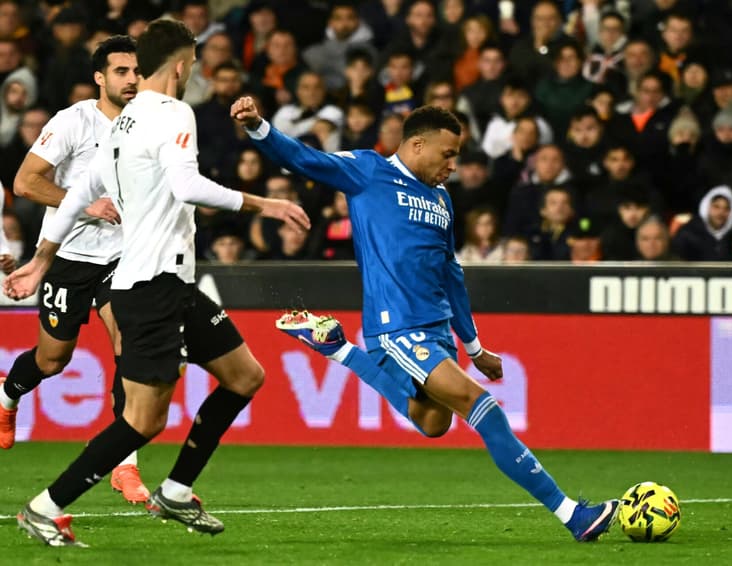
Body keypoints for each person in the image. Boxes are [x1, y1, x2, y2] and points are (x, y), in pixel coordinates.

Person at [230, 98, 619, 542]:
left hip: (436, 329)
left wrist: (473, 346)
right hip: (396, 326)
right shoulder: (367, 171)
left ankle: (337, 348)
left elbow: (451, 273)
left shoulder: (441, 199)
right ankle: (572, 514)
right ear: (417, 145)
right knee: (482, 408)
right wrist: (259, 126)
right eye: (448, 154)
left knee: (434, 423)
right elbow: (303, 158)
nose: (453, 165)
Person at [3, 19, 310, 547]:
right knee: (143, 420)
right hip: (150, 287)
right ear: (183, 63)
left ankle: (176, 489)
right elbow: (186, 185)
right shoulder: (171, 111)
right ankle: (44, 507)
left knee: (245, 376)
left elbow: (79, 193)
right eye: (194, 62)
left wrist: (40, 257)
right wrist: (267, 203)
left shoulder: (124, 122)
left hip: (168, 282)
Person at [0, 35, 151, 505]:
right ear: (100, 78)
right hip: (68, 256)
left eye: (136, 71)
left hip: (126, 256)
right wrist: (87, 205)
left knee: (129, 341)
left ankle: (125, 464)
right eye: (121, 71)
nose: (131, 79)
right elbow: (26, 183)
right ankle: (7, 398)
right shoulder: (75, 121)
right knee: (52, 360)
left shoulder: (153, 124)